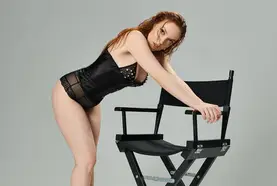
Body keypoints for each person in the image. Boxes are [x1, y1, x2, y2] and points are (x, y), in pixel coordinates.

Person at [50, 11, 222, 186]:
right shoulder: (134, 37)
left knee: (90, 164)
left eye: (169, 41)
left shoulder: (158, 55)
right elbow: (161, 77)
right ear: (154, 23)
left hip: (93, 102)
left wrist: (199, 103)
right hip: (70, 92)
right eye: (162, 31)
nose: (161, 41)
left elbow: (175, 80)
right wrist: (197, 104)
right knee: (85, 161)